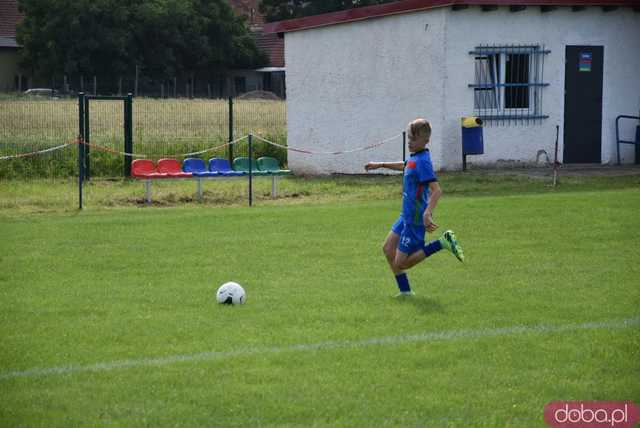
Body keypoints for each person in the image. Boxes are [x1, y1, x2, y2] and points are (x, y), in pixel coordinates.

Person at [365, 118, 464, 296]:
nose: (409, 142)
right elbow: (405, 166)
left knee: (401, 262)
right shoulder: (415, 157)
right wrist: (380, 164)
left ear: (425, 140)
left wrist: (427, 213)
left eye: (413, 139)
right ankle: (405, 293)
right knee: (388, 249)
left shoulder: (424, 162)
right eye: (409, 138)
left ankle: (443, 242)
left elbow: (437, 190)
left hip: (415, 219)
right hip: (406, 215)